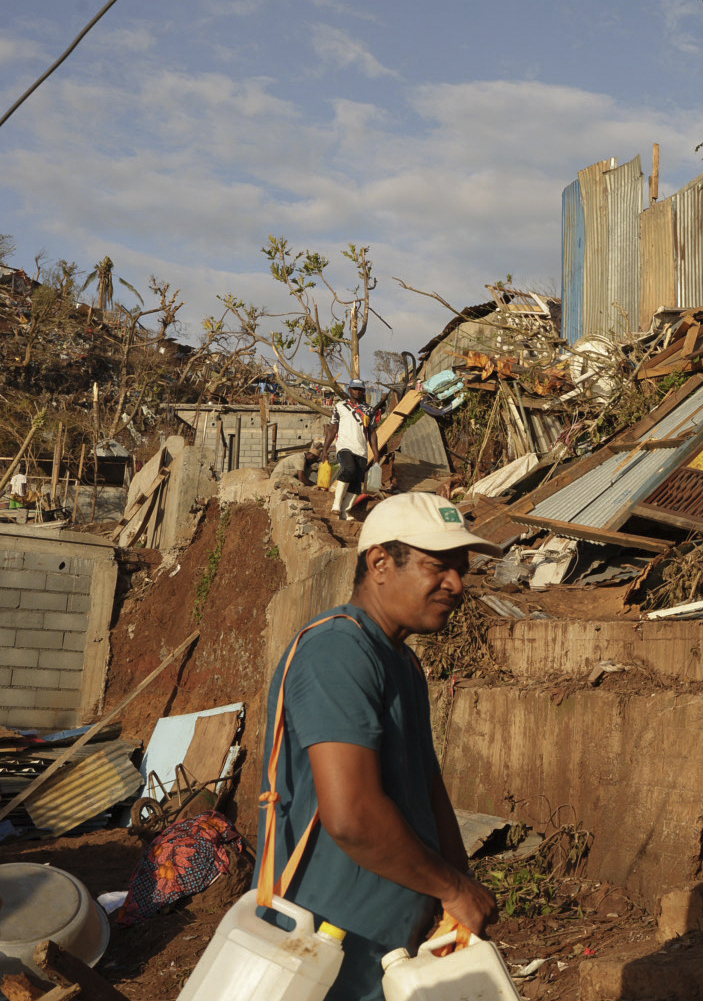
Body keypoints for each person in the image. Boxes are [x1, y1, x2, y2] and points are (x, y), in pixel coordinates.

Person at [258, 492, 503, 1001]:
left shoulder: (402, 663)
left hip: (386, 943)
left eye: (461, 570)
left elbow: (427, 788)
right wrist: (454, 888)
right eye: (438, 566)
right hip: (327, 946)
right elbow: (352, 816)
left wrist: (457, 889)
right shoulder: (338, 651)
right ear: (380, 563)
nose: (456, 585)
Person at [324, 378, 377, 521]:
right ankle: (336, 504)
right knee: (349, 469)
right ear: (349, 390)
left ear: (363, 391)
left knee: (357, 483)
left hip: (361, 449)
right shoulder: (340, 406)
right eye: (354, 389)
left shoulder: (369, 410)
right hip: (344, 446)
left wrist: (376, 454)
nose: (357, 391)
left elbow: (372, 432)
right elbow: (332, 428)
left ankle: (344, 511)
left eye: (360, 389)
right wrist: (325, 450)